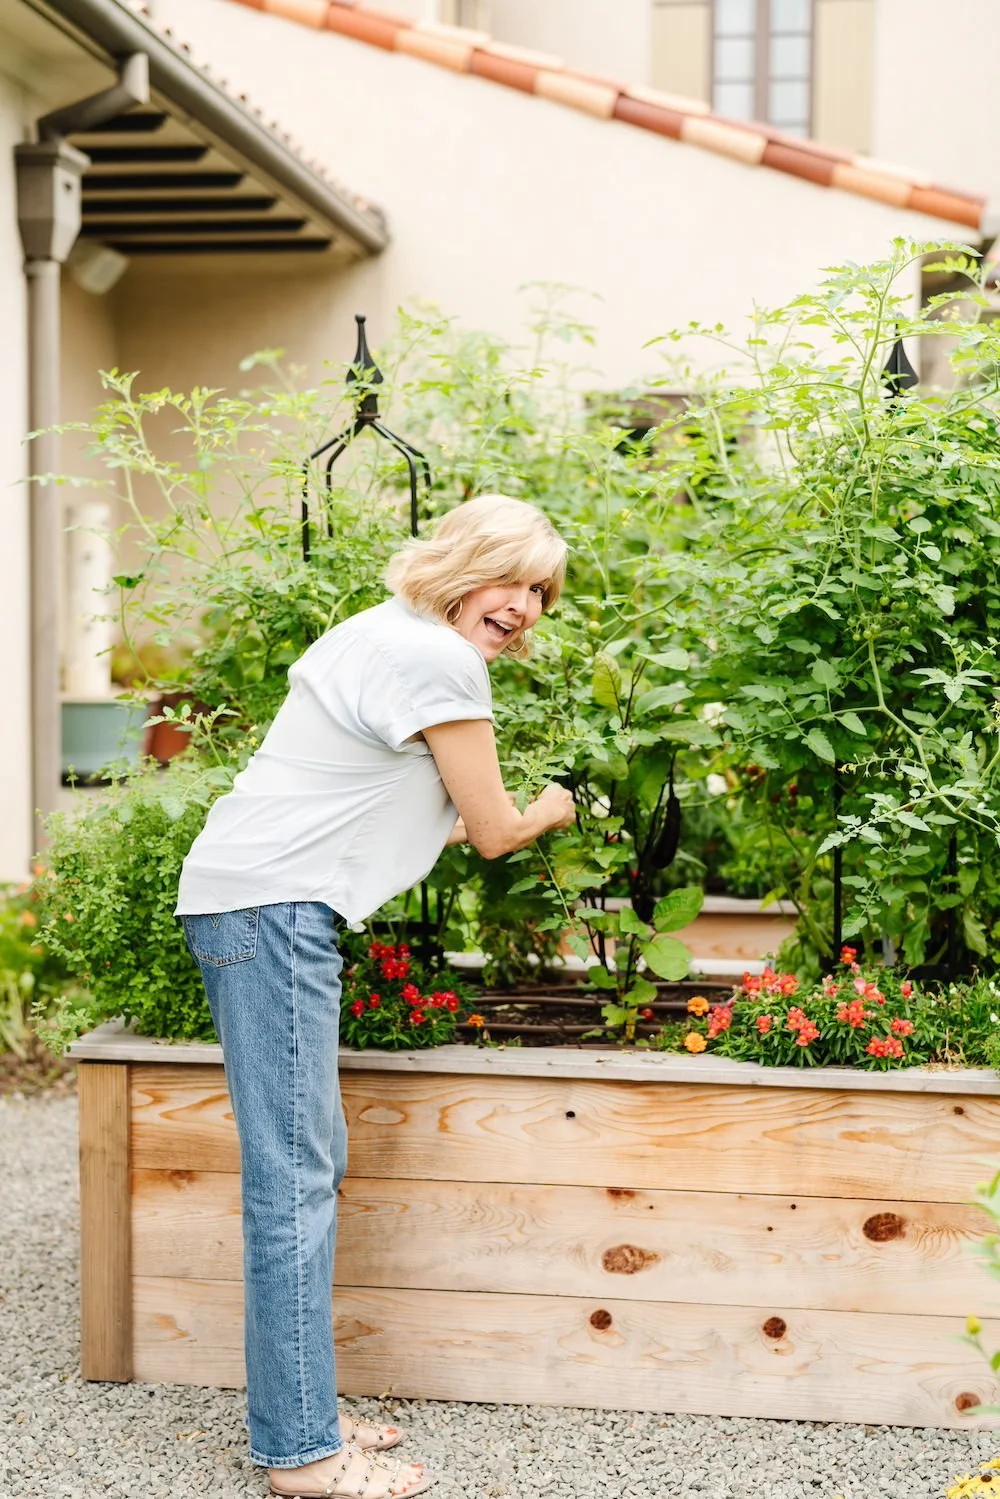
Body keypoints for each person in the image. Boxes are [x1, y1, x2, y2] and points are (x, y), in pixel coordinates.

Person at [175, 494, 575, 1499]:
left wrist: (479, 814)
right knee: (296, 1178)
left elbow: (367, 802)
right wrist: (551, 807)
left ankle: (299, 1404)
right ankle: (302, 1452)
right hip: (273, 912)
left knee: (304, 1168)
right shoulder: (440, 659)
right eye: (511, 577)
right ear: (462, 562)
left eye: (540, 590)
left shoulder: (384, 633)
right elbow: (491, 830)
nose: (525, 605)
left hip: (253, 901)